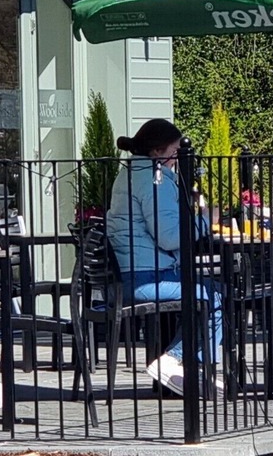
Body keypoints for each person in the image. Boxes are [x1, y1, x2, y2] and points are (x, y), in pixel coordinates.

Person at [104, 118, 222, 396]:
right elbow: (169, 236)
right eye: (175, 150)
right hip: (144, 278)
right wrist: (206, 221)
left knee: (203, 292)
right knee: (214, 296)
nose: (179, 156)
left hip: (130, 274)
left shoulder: (131, 173)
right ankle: (175, 361)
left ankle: (181, 368)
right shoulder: (154, 180)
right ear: (158, 152)